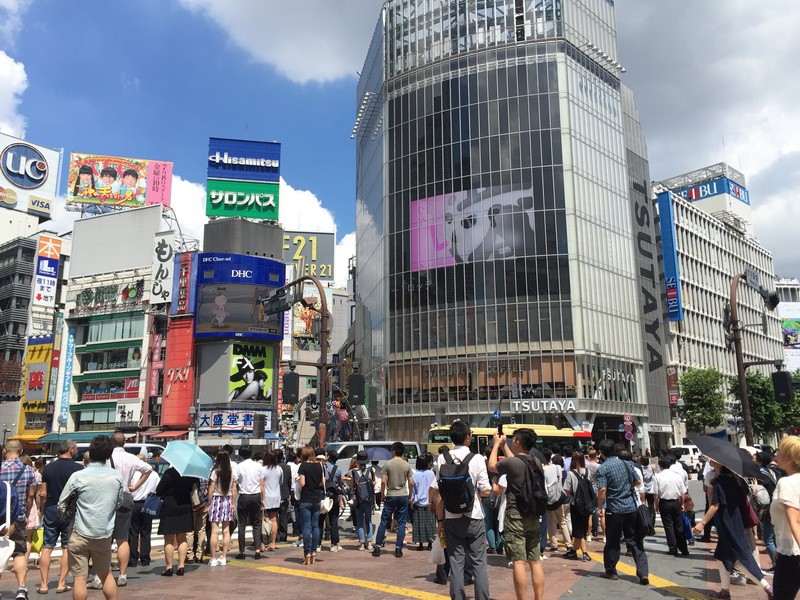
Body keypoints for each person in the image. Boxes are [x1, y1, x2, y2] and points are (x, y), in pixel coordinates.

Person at [692, 459, 773, 599]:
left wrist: (702, 523)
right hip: (734, 521)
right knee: (721, 556)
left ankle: (768, 589)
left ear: (720, 463)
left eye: (712, 459)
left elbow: (715, 505)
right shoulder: (734, 478)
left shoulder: (720, 481)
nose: (709, 461)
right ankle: (724, 591)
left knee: (741, 560)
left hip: (728, 524)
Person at [57, 435, 124, 600]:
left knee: (79, 578)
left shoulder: (79, 476)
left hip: (79, 531)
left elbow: (61, 505)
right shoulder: (116, 477)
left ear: (90, 452)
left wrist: (67, 514)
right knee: (105, 574)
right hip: (103, 532)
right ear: (109, 455)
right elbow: (119, 503)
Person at [430, 421, 491, 600]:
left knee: (456, 562)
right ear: (467, 438)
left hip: (451, 517)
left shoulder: (442, 459)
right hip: (474, 516)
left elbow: (440, 493)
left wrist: (440, 521)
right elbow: (486, 490)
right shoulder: (478, 458)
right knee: (479, 562)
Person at [488, 429, 544, 600]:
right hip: (534, 514)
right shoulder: (536, 461)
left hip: (516, 515)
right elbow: (516, 459)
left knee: (519, 561)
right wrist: (505, 446)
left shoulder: (512, 463)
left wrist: (497, 444)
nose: (512, 441)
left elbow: (491, 466)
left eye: (514, 439)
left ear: (518, 442)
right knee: (535, 560)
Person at [596, 439, 649, 585]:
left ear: (601, 453)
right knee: (634, 540)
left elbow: (602, 490)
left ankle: (611, 571)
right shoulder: (626, 464)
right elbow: (638, 482)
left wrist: (600, 507)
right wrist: (626, 487)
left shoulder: (603, 468)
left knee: (613, 541)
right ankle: (643, 573)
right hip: (631, 507)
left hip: (614, 509)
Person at [36, 439, 82, 595]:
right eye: (75, 448)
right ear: (71, 449)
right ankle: (61, 583)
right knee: (66, 547)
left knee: (47, 547)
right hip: (69, 509)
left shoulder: (48, 468)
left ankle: (43, 584)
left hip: (51, 507)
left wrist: (42, 510)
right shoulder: (78, 469)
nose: (76, 451)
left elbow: (43, 492)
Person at [107, 432, 152, 588]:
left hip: (107, 496)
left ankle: (101, 576)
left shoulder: (105, 457)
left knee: (105, 538)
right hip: (126, 496)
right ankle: (122, 575)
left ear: (111, 443)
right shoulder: (132, 458)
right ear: (124, 443)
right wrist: (135, 486)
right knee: (122, 539)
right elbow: (148, 469)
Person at [1, 439, 37, 600]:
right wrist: (27, 513)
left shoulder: (0, 468)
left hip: (0, 516)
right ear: (21, 452)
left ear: (4, 451)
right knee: (19, 552)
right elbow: (31, 496)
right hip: (17, 518)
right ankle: (21, 588)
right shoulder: (28, 470)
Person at [770, 436, 800, 600]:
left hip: (793, 553)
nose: (776, 454)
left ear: (790, 458)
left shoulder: (787, 483)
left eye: (780, 450)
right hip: (788, 549)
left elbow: (795, 520)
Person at [372, 442, 413, 558]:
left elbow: (384, 481)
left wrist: (383, 494)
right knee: (401, 523)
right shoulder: (406, 465)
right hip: (403, 495)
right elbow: (411, 482)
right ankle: (398, 548)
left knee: (384, 521)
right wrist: (410, 494)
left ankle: (378, 547)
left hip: (391, 494)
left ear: (394, 451)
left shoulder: (388, 465)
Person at [156, 466, 195, 576]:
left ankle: (169, 567)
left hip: (170, 506)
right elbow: (194, 489)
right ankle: (181, 566)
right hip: (185, 506)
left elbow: (159, 490)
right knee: (182, 538)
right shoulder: (189, 474)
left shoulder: (169, 473)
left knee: (169, 539)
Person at [653, 456, 689, 556]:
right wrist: (682, 503)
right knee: (679, 525)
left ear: (660, 466)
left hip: (664, 502)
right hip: (676, 502)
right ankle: (684, 549)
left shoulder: (658, 476)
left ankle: (673, 549)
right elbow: (683, 492)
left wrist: (656, 505)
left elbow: (656, 494)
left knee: (668, 526)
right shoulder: (677, 476)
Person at [208, 451, 236, 566]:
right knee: (226, 531)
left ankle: (213, 558)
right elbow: (234, 490)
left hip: (216, 500)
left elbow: (211, 489)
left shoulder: (215, 472)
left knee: (214, 531)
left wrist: (209, 502)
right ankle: (224, 557)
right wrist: (233, 503)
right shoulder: (232, 472)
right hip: (227, 501)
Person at [234, 447, 263, 559]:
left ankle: (242, 551)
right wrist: (263, 498)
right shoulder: (258, 466)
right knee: (256, 523)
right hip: (256, 496)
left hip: (244, 496)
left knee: (242, 524)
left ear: (241, 455)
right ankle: (257, 550)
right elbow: (262, 484)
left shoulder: (239, 467)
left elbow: (236, 483)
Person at [563, 450, 592, 562]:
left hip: (576, 503)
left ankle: (584, 553)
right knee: (581, 528)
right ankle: (573, 551)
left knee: (579, 530)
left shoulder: (571, 473)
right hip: (587, 503)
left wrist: (573, 494)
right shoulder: (587, 472)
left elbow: (566, 490)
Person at [129, 463, 159, 568]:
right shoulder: (154, 474)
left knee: (133, 532)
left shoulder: (132, 474)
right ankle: (145, 558)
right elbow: (157, 489)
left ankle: (132, 559)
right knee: (146, 531)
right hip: (148, 503)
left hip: (134, 503)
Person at [297, 445, 324, 565]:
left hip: (305, 498)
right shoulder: (319, 465)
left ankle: (307, 552)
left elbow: (302, 483)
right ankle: (314, 551)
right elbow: (322, 482)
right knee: (315, 526)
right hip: (316, 498)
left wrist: (297, 480)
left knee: (306, 526)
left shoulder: (303, 466)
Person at [344, 450, 375, 551]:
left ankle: (362, 543)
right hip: (368, 499)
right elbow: (374, 483)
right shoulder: (371, 470)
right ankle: (369, 542)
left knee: (360, 521)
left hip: (358, 499)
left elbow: (352, 486)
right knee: (369, 520)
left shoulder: (353, 472)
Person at [541, 448, 570, 553]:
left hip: (549, 498)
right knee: (562, 522)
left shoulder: (544, 469)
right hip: (559, 498)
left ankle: (554, 544)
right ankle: (568, 543)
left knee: (551, 522)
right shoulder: (558, 468)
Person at [319, 449, 343, 552]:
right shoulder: (338, 470)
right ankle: (334, 544)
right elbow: (339, 484)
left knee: (320, 520)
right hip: (333, 497)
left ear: (328, 456)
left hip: (323, 496)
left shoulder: (322, 467)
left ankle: (317, 544)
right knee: (334, 520)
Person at [412, 453, 436, 551]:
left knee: (418, 524)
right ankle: (430, 543)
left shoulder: (415, 475)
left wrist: (412, 499)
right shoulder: (431, 473)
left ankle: (420, 544)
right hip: (429, 501)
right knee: (430, 523)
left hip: (418, 501)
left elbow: (414, 489)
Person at [261, 450, 282, 552]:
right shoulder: (279, 469)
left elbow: (261, 485)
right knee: (273, 520)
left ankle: (262, 543)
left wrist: (262, 498)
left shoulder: (263, 469)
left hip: (266, 497)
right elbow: (281, 482)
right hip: (276, 497)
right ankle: (273, 542)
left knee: (264, 520)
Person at [187, 478, 209, 564]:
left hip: (192, 505)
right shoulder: (205, 475)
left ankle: (190, 556)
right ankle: (200, 555)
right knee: (201, 530)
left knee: (190, 531)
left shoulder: (189, 476)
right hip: (203, 504)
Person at [276, 449, 292, 543]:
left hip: (276, 494)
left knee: (274, 516)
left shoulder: (274, 467)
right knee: (283, 516)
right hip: (285, 493)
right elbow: (289, 482)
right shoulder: (287, 467)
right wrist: (289, 493)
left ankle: (276, 535)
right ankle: (284, 535)